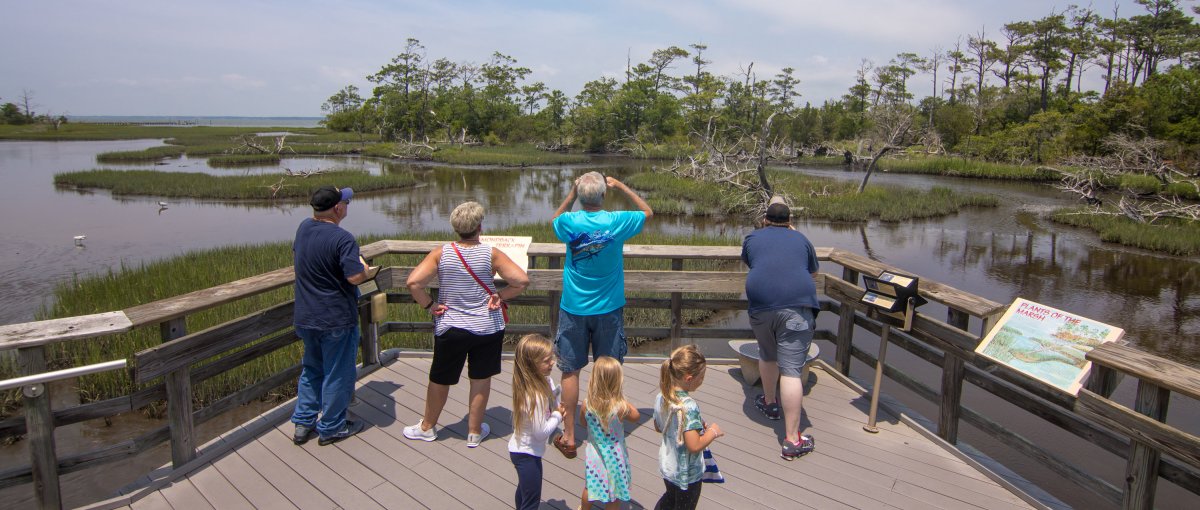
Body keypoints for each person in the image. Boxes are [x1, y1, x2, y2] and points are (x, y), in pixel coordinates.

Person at [404, 201, 529, 447]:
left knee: (440, 378)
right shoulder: (491, 253)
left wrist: (430, 306)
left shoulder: (442, 253)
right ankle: (474, 432)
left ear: (455, 228)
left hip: (451, 326)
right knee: (480, 378)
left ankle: (427, 427)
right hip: (487, 327)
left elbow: (413, 283)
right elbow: (521, 280)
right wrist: (500, 296)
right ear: (479, 227)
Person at [551, 171, 653, 457]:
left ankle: (569, 436)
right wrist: (621, 185)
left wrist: (571, 194)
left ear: (581, 197)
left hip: (573, 308)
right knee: (608, 368)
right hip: (608, 308)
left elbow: (554, 220)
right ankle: (606, 431)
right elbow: (647, 211)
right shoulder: (617, 221)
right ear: (603, 196)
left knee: (570, 370)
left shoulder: (569, 223)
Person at [291, 185, 374, 446]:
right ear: (337, 208)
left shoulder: (303, 228)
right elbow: (354, 276)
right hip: (336, 317)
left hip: (306, 316)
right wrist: (365, 269)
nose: (347, 207)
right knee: (338, 372)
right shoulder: (343, 239)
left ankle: (303, 423)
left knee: (312, 369)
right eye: (346, 203)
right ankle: (332, 426)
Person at [741, 196, 819, 460]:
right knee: (792, 372)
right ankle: (792, 440)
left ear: (765, 220)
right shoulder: (802, 240)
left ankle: (771, 403)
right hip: (797, 308)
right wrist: (793, 233)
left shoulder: (753, 238)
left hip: (762, 308)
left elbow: (754, 263)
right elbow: (813, 271)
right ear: (790, 222)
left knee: (767, 353)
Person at [653, 345, 722, 510]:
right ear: (689, 378)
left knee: (670, 498)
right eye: (702, 377)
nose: (702, 380)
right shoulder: (689, 406)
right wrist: (713, 432)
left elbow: (658, 426)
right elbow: (694, 445)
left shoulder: (662, 396)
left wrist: (694, 425)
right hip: (687, 475)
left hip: (669, 466)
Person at [508, 334, 566, 510]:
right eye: (546, 360)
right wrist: (557, 416)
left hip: (525, 449)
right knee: (532, 500)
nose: (552, 363)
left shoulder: (544, 381)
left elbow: (553, 395)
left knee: (525, 491)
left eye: (552, 358)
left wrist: (556, 402)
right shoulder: (534, 397)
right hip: (527, 454)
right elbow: (540, 432)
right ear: (532, 365)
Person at [578, 356, 639, 510]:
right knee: (613, 494)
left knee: (590, 487)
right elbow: (636, 416)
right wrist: (623, 399)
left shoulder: (587, 404)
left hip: (595, 453)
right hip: (615, 455)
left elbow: (583, 422)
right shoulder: (620, 406)